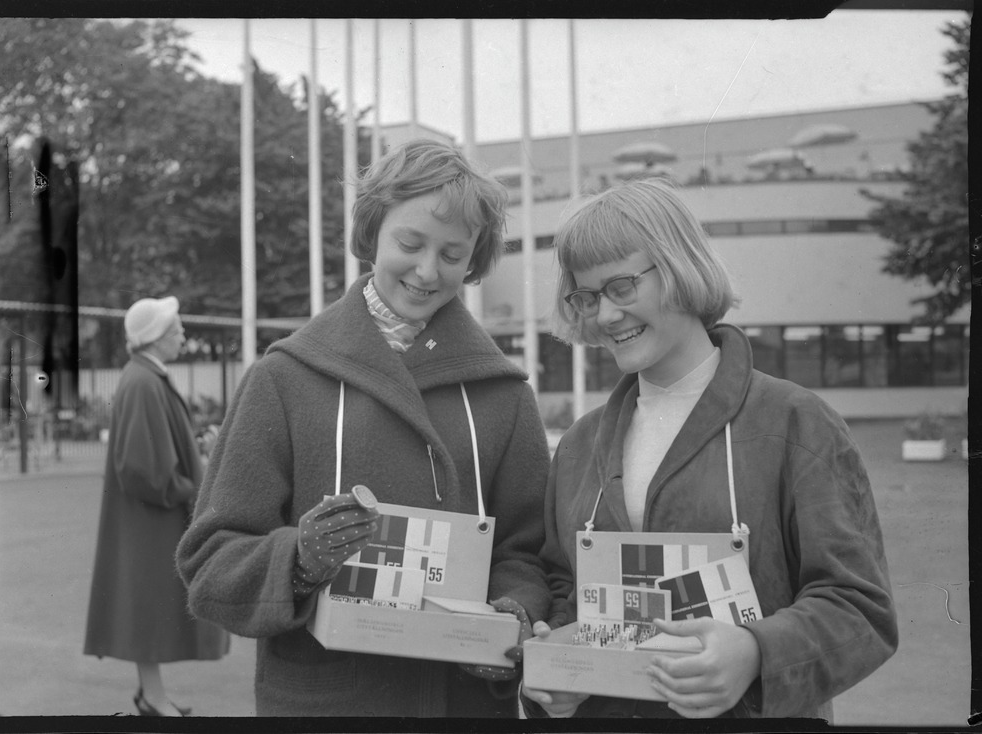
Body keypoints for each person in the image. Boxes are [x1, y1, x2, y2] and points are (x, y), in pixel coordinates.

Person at [176, 139, 551, 717]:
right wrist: (299, 558)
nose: (427, 271)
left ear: (473, 260)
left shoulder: (507, 394)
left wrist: (511, 616)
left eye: (452, 254)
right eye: (410, 244)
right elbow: (211, 562)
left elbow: (529, 555)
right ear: (372, 232)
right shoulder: (282, 378)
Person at [521, 179, 897, 719]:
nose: (604, 316)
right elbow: (564, 588)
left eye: (621, 287)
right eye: (587, 297)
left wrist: (756, 652)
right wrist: (558, 663)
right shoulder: (580, 445)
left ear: (678, 267)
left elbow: (861, 610)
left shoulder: (797, 423)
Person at [84, 296, 229, 717]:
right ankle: (152, 698)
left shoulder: (145, 376)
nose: (182, 333)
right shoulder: (144, 381)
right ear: (156, 336)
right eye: (176, 327)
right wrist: (193, 481)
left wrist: (193, 453)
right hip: (154, 518)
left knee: (145, 607)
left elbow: (149, 456)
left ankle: (152, 694)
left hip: (152, 517)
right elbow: (142, 469)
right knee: (147, 606)